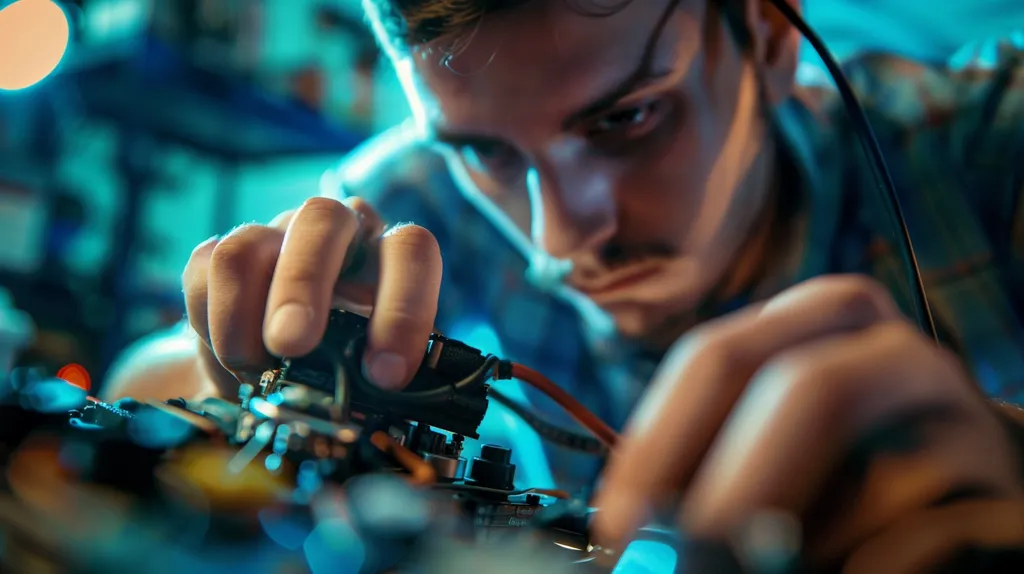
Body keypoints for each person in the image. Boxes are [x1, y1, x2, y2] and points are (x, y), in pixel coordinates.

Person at [106, 0, 1024, 569]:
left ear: (769, 35)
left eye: (629, 118)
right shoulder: (413, 195)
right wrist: (251, 364)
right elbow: (137, 383)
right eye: (487, 153)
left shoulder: (992, 142)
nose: (562, 237)